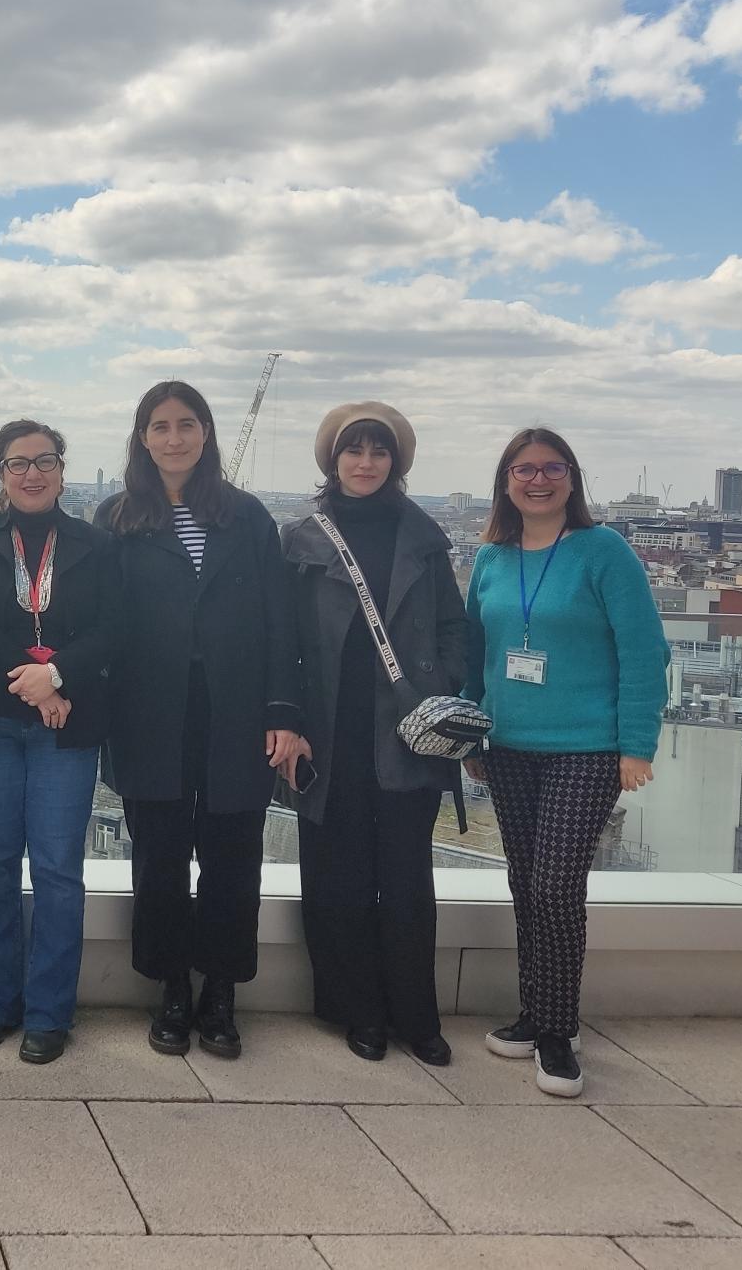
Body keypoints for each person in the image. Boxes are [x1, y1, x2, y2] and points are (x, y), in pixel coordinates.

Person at [98, 380, 305, 1060]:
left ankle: (221, 991)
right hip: (148, 713)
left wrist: (282, 710)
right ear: (142, 437)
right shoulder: (118, 517)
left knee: (231, 859)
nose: (174, 437)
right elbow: (101, 625)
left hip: (235, 713)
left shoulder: (245, 517)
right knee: (156, 860)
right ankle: (171, 990)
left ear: (208, 434)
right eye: (160, 426)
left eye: (187, 424)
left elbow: (280, 620)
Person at [465, 427, 669, 1098]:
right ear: (506, 482)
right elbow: (475, 655)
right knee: (526, 884)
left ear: (573, 479)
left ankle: (558, 1031)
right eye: (523, 469)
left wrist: (636, 745)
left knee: (556, 886)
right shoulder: (492, 558)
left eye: (552, 467)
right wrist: (470, 737)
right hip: (510, 746)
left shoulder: (603, 551)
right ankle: (536, 1014)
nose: (538, 478)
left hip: (586, 748)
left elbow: (644, 650)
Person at [281, 403, 465, 1067]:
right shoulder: (302, 538)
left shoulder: (423, 536)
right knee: (338, 876)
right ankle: (355, 1010)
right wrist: (289, 718)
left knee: (408, 877)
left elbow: (453, 627)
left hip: (407, 733)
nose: (364, 462)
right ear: (333, 459)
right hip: (329, 732)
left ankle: (417, 1016)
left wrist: (437, 687)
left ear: (396, 462)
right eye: (353, 450)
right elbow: (283, 640)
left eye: (377, 451)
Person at [0, 419, 113, 1064]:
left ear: (63, 470)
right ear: (0, 473)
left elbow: (111, 627)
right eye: (18, 463)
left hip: (66, 728)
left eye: (44, 461)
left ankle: (48, 1013)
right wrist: (33, 682)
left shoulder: (95, 544)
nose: (32, 473)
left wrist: (59, 675)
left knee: (56, 871)